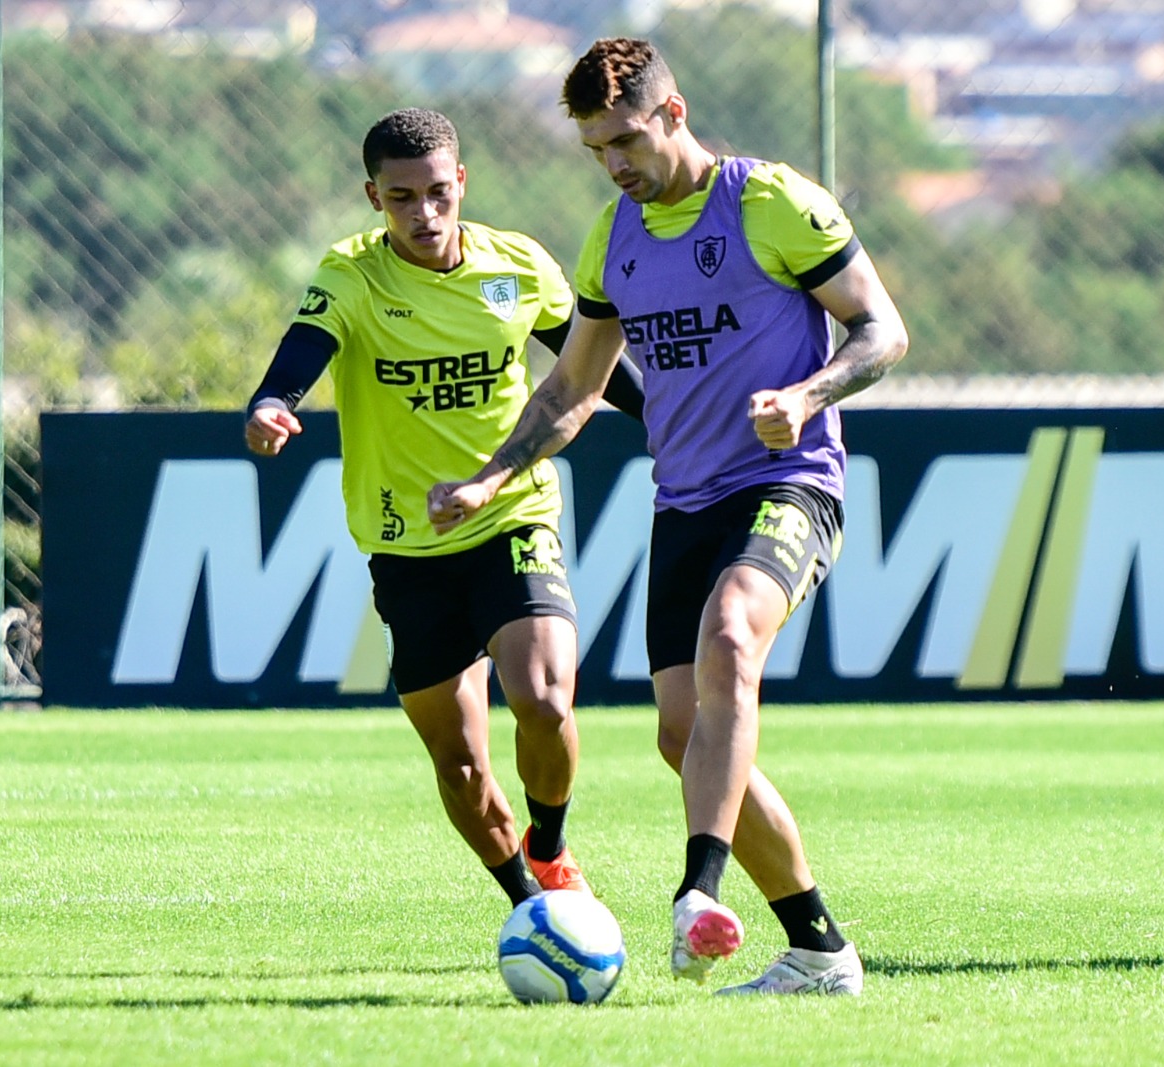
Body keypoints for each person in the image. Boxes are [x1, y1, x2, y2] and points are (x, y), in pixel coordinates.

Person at [429, 38, 909, 996]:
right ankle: (819, 950)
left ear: (673, 113)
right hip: (681, 503)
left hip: (788, 483)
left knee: (733, 634)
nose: (613, 163)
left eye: (625, 139)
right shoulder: (614, 239)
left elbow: (882, 330)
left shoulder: (770, 201)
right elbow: (574, 385)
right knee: (684, 737)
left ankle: (698, 892)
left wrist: (809, 395)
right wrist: (491, 476)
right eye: (594, 148)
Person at [244, 107, 644, 911]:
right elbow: (302, 350)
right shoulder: (351, 275)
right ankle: (530, 907)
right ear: (373, 197)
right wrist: (270, 401)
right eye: (401, 199)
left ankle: (551, 844)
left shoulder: (519, 265)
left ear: (461, 182)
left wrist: (676, 423)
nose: (424, 215)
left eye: (437, 193)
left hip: (512, 514)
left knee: (543, 696)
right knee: (461, 767)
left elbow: (594, 369)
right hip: (406, 546)